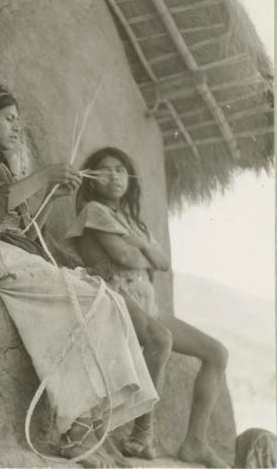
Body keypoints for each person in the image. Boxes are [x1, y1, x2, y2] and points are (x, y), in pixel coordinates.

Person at [0, 85, 158, 468]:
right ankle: (73, 431)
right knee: (90, 301)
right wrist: (42, 177)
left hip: (11, 253)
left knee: (105, 299)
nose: (17, 126)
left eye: (19, 119)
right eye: (8, 118)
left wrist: (51, 192)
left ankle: (91, 427)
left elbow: (22, 221)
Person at [66, 146, 230, 468]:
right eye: (104, 169)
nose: (113, 175)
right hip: (113, 293)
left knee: (217, 353)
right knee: (161, 340)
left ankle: (195, 443)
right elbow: (125, 259)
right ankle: (143, 431)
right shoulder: (94, 211)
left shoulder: (131, 220)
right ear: (92, 179)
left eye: (120, 169)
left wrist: (138, 243)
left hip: (145, 301)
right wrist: (143, 248)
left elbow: (164, 264)